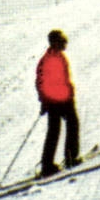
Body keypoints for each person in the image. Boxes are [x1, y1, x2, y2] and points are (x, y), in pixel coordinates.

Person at [35, 28, 80, 177]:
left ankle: (67, 158)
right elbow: (41, 83)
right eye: (62, 41)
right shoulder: (49, 60)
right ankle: (53, 163)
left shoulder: (59, 57)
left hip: (63, 98)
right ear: (55, 42)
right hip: (55, 101)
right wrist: (44, 100)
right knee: (57, 130)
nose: (64, 43)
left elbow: (64, 78)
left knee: (67, 126)